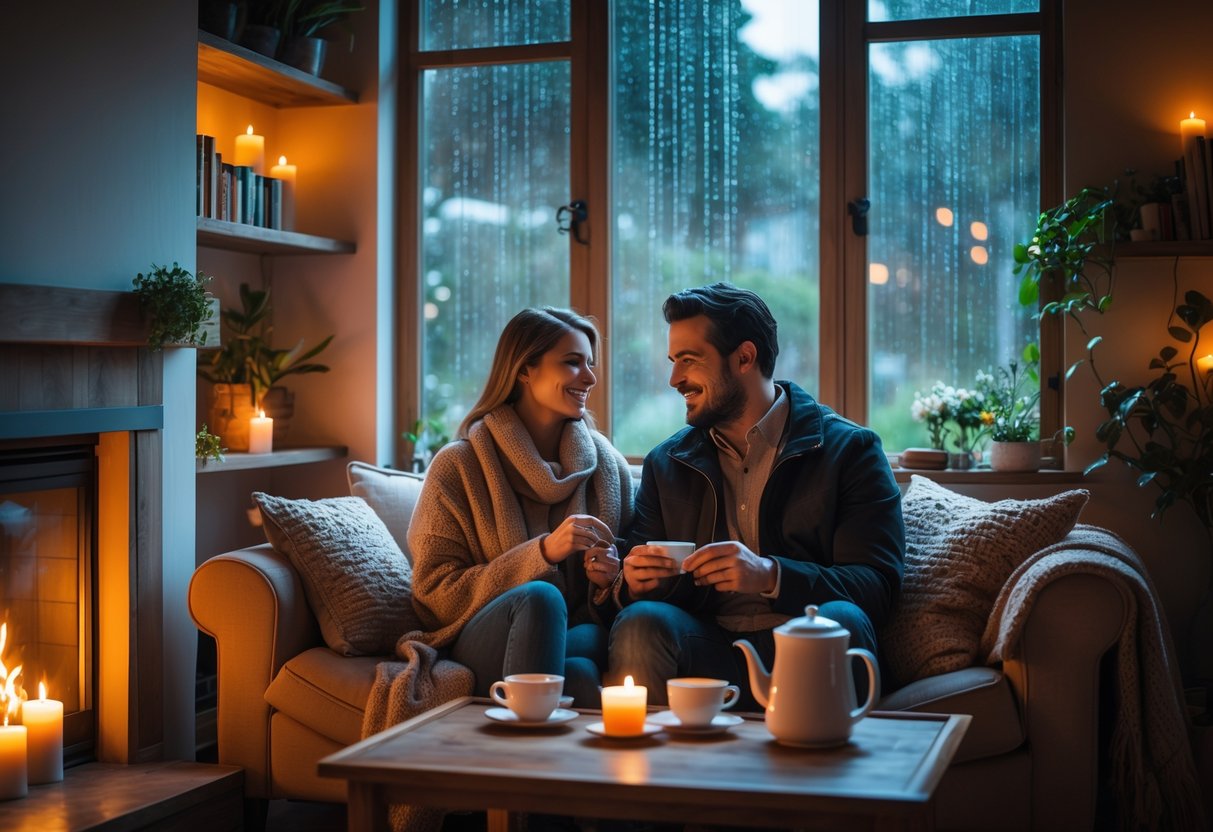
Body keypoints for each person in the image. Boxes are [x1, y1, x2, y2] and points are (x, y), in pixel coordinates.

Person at [608, 282, 904, 708]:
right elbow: (640, 576)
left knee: (841, 621)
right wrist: (636, 584)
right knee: (640, 622)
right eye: (673, 362)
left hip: (807, 641)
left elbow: (877, 589)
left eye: (688, 361)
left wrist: (769, 575)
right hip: (708, 644)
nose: (674, 379)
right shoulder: (666, 463)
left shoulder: (850, 451)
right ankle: (656, 772)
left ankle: (819, 768)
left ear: (745, 357)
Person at [407, 307, 634, 707]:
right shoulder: (458, 466)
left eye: (590, 364)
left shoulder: (608, 467)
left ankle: (536, 762)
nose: (590, 377)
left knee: (582, 666)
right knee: (541, 599)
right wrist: (542, 553)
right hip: (481, 635)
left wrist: (608, 579)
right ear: (524, 370)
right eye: (572, 362)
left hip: (574, 634)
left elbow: (623, 582)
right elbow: (433, 596)